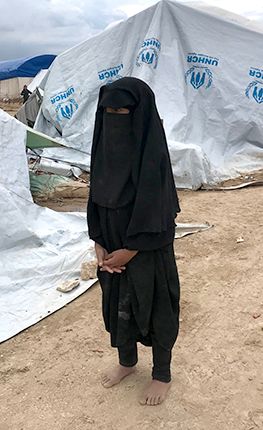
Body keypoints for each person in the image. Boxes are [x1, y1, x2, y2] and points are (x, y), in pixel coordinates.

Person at [87, 77, 180, 406]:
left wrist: (132, 248)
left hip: (147, 248)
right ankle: (127, 362)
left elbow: (157, 208)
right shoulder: (102, 149)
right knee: (117, 305)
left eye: (122, 110)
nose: (114, 116)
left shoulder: (152, 155)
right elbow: (95, 196)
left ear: (138, 114)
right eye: (108, 110)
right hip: (112, 244)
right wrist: (99, 240)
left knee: (156, 307)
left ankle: (162, 374)